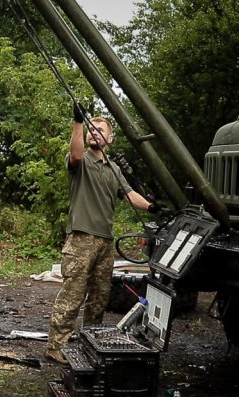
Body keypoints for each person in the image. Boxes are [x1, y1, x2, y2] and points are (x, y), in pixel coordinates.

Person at [44, 104, 166, 364]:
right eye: (91, 130)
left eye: (100, 130)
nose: (94, 133)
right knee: (73, 295)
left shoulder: (113, 168)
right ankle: (57, 346)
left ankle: (90, 342)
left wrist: (152, 207)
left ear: (110, 138)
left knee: (99, 298)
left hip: (105, 241)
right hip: (81, 238)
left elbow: (130, 194)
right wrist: (78, 122)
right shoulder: (82, 161)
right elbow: (74, 155)